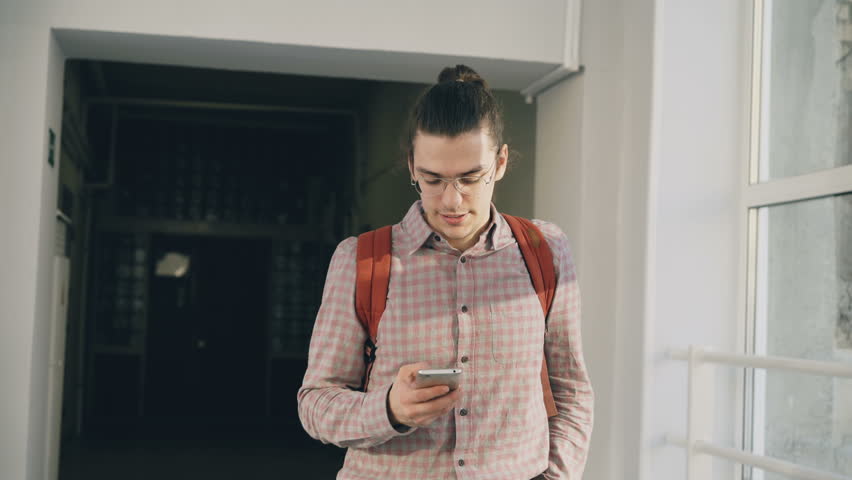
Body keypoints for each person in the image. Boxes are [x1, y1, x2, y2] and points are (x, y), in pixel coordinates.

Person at [297, 64, 594, 480]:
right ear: (412, 166)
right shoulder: (360, 260)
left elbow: (571, 390)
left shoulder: (545, 250)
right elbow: (315, 404)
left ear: (501, 162)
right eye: (433, 179)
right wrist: (388, 409)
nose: (452, 200)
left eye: (471, 177)